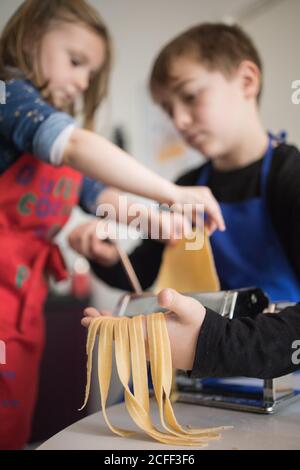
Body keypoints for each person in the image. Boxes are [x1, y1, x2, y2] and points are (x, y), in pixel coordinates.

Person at [0, 2, 224, 450]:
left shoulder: (55, 147)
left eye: (90, 72)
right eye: (76, 61)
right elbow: (76, 145)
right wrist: (171, 192)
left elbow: (101, 196)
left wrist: (163, 223)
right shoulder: (7, 95)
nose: (83, 81)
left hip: (24, 306)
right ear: (29, 41)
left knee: (12, 420)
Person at [70, 22, 300, 303]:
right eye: (168, 109)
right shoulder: (185, 187)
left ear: (247, 82)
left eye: (190, 97)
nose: (178, 121)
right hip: (211, 341)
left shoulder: (290, 176)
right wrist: (108, 257)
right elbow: (142, 271)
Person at [82, 288, 300, 379]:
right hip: (182, 348)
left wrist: (217, 342)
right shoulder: (181, 197)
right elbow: (146, 263)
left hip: (274, 346)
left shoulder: (285, 191)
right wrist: (109, 260)